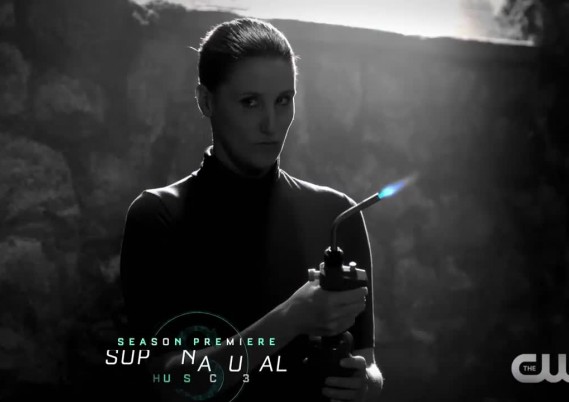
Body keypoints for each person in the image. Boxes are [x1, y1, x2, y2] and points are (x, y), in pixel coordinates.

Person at [119, 17, 383, 402]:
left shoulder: (337, 214)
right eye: (250, 102)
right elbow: (170, 384)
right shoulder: (158, 216)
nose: (271, 125)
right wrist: (291, 318)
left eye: (283, 100)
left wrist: (366, 383)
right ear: (206, 101)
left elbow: (369, 364)